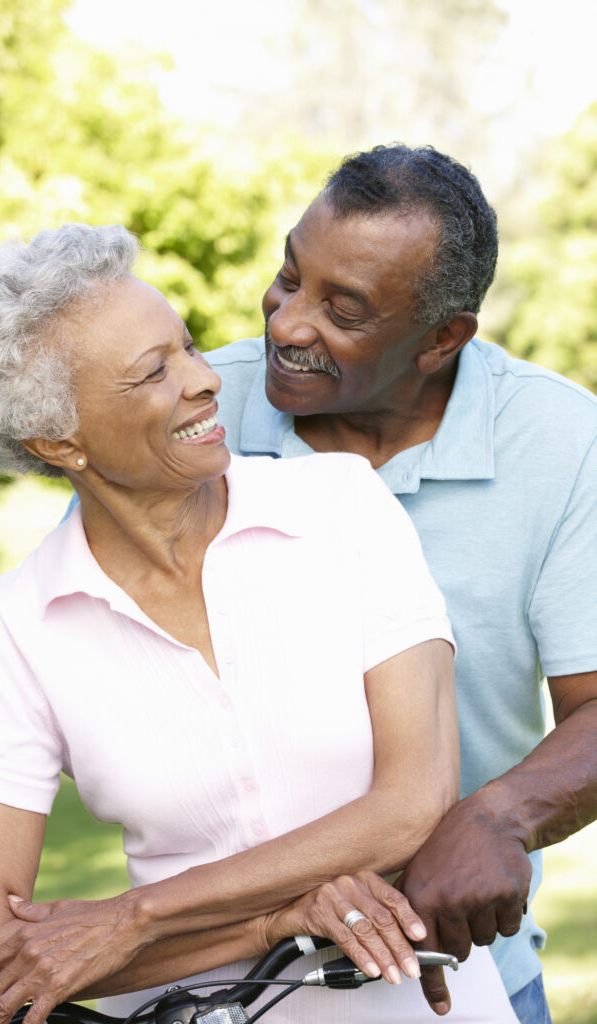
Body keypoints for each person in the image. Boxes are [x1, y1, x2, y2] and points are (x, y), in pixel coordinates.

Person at [0, 223, 519, 1024]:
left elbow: (413, 802)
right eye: (152, 374)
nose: (205, 381)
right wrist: (277, 922)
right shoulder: (19, 628)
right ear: (59, 439)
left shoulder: (342, 505)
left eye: (189, 347)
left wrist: (134, 918)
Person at [203, 144, 597, 1023]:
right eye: (288, 277)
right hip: (208, 980)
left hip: (459, 982)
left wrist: (501, 814)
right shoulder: (195, 410)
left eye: (342, 309)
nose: (287, 324)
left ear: (442, 339)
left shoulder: (566, 444)